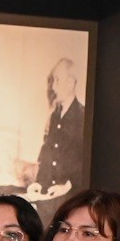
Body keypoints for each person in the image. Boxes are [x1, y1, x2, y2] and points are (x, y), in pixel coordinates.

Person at [35, 59, 87, 194]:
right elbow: (48, 153)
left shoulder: (83, 116)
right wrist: (39, 183)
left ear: (70, 83)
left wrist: (67, 186)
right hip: (50, 191)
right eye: (53, 80)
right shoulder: (54, 116)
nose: (53, 87)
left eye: (57, 80)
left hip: (72, 193)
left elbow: (85, 160)